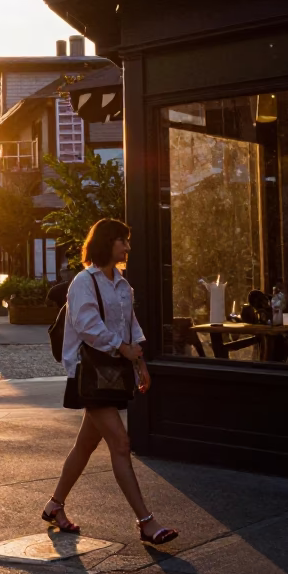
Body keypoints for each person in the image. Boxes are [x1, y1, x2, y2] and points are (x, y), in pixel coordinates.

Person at [41, 219, 179, 546]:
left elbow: (131, 325)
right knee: (121, 443)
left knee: (85, 445)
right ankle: (146, 522)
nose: (128, 248)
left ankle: (53, 506)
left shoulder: (121, 284)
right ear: (107, 243)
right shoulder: (83, 282)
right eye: (122, 241)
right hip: (88, 375)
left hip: (111, 374)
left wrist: (139, 361)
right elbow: (88, 326)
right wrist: (123, 349)